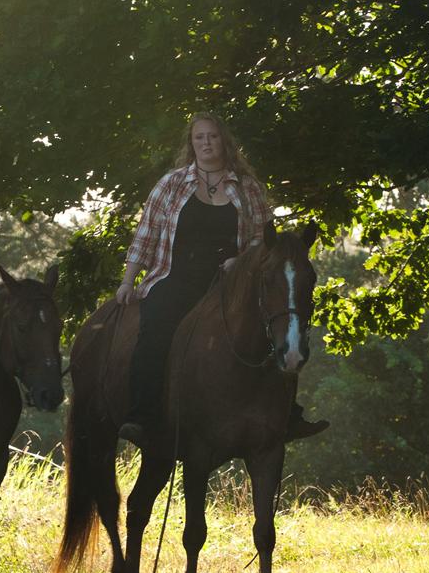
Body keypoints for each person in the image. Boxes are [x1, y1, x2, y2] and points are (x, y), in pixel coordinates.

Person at [115, 112, 328, 444]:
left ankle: (287, 415)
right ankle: (143, 415)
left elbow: (263, 240)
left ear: (224, 142)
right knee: (155, 326)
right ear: (191, 143)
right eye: (199, 137)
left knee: (273, 327)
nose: (206, 143)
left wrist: (240, 262)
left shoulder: (247, 188)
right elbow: (146, 235)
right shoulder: (171, 184)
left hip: (230, 281)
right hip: (176, 276)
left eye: (212, 137)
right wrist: (128, 281)